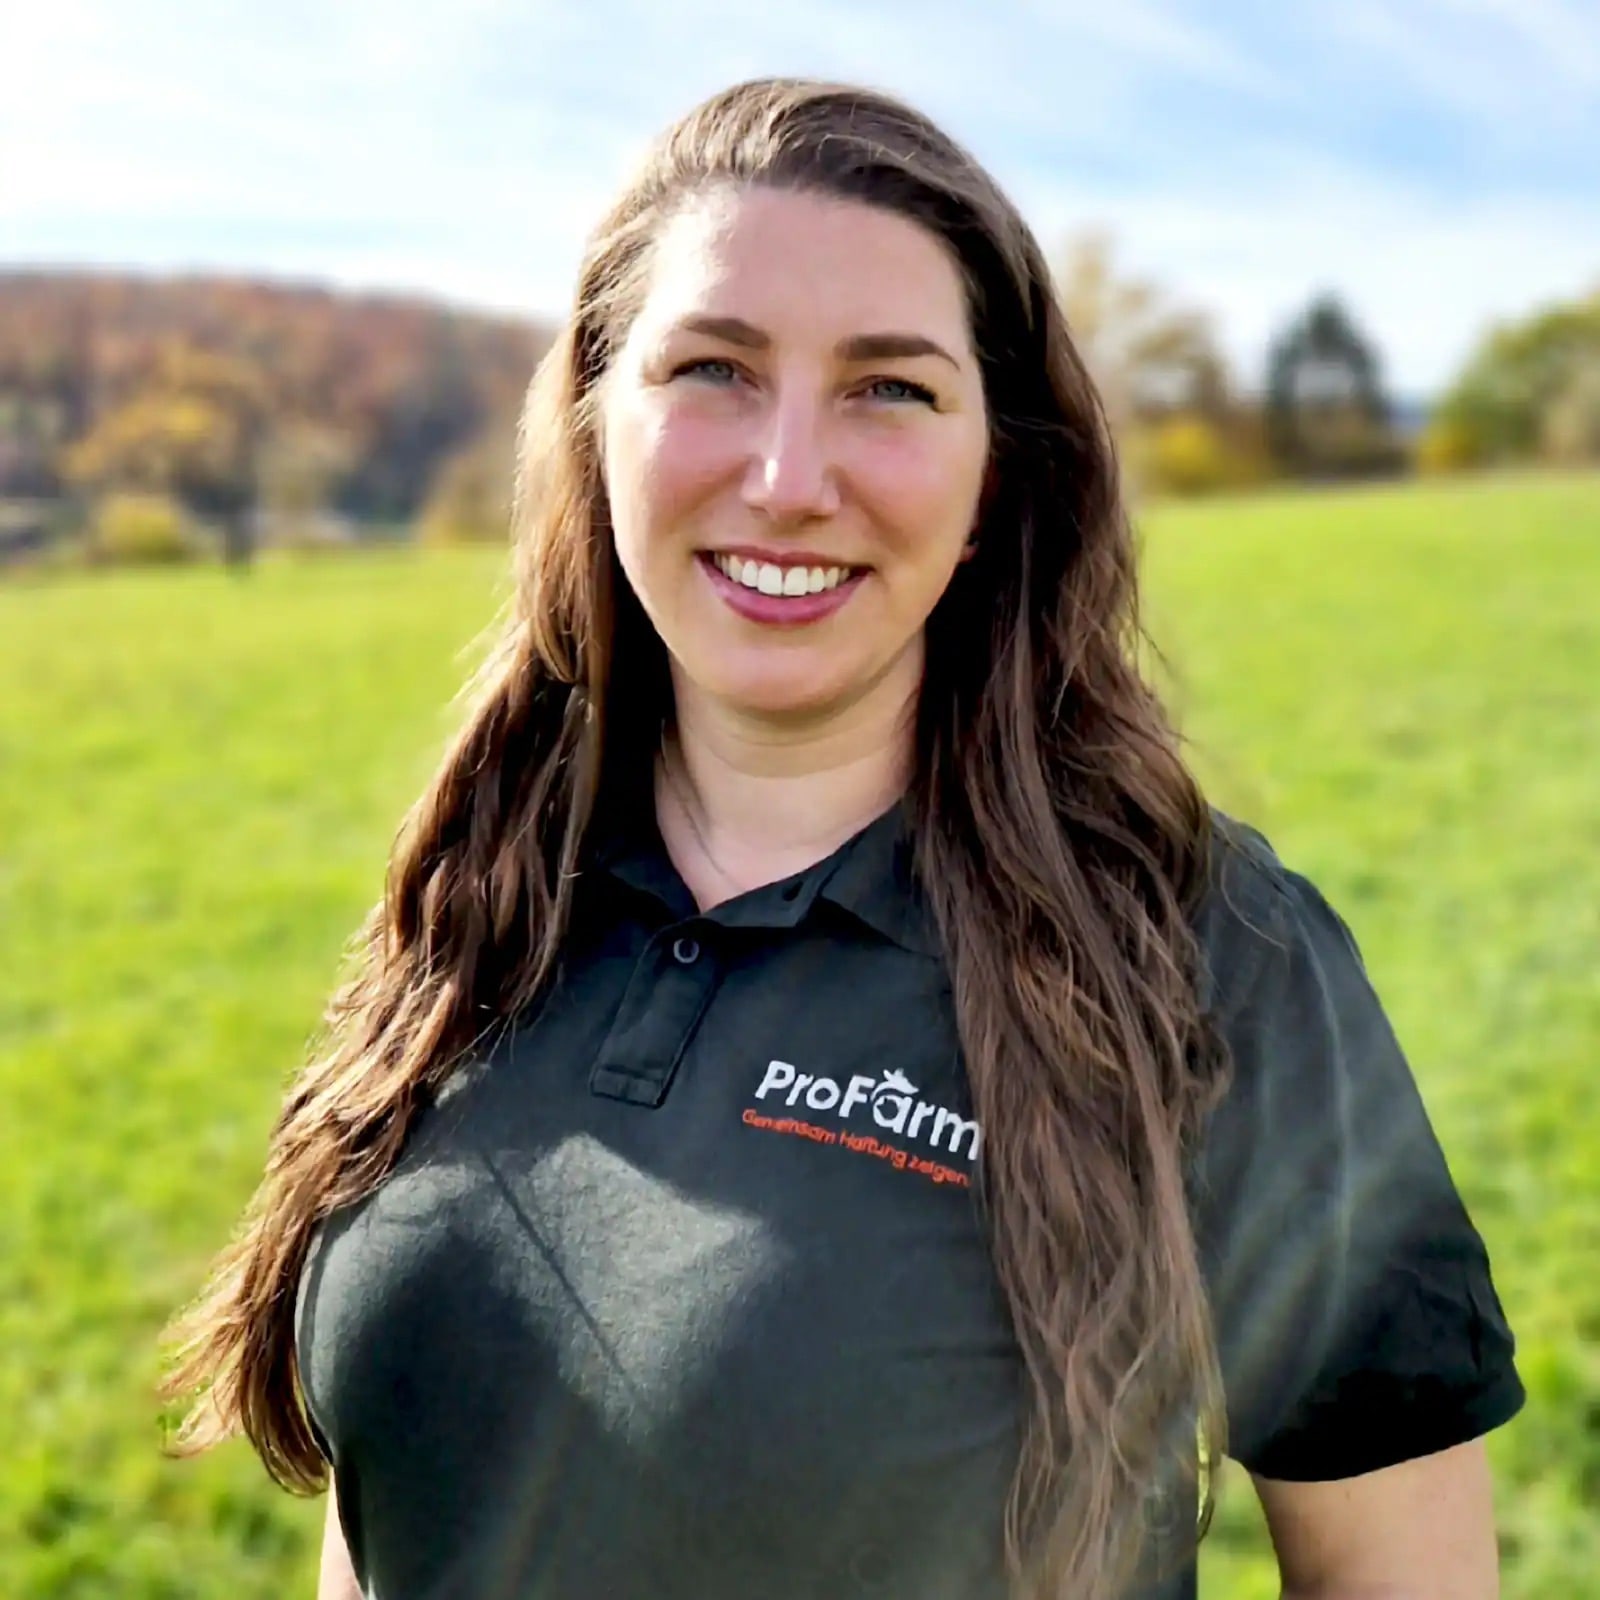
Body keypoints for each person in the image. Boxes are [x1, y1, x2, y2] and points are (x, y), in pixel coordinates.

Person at [162, 77, 1525, 1600]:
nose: (789, 482)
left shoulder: (1210, 955)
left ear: (996, 467)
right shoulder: (485, 894)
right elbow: (398, 1509)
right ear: (599, 419)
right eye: (714, 370)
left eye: (890, 389)